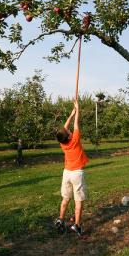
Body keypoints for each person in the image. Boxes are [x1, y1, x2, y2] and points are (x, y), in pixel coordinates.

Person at [55, 100, 89, 237]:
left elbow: (64, 128)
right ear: (69, 135)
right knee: (78, 200)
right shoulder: (75, 140)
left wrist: (71, 113)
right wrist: (78, 109)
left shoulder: (63, 143)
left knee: (65, 198)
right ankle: (77, 225)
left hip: (67, 173)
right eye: (68, 131)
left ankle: (60, 219)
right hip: (77, 174)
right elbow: (76, 124)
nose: (68, 130)